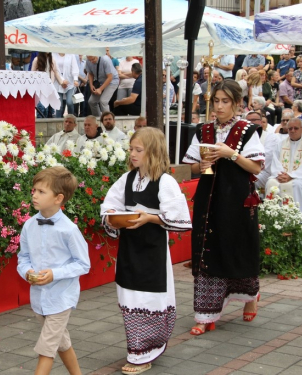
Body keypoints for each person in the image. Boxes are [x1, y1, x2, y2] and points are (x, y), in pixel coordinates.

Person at [101, 127, 191, 374]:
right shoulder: (127, 178)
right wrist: (110, 217)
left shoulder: (165, 181)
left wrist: (149, 217)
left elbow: (180, 218)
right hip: (129, 250)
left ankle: (143, 353)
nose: (132, 154)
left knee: (149, 299)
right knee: (129, 298)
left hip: (152, 252)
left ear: (153, 152)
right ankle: (138, 349)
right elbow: (110, 203)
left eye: (138, 150)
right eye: (131, 149)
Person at [183, 79, 264, 336]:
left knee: (238, 248)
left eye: (225, 101)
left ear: (236, 103)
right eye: (216, 101)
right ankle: (205, 313)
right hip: (209, 200)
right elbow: (193, 168)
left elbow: (256, 168)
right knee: (208, 251)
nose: (219, 106)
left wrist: (231, 153)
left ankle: (251, 295)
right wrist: (203, 162)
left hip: (236, 200)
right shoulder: (203, 130)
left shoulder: (247, 129)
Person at [17, 166, 90, 375]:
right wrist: (27, 272)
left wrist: (54, 274)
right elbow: (23, 258)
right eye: (34, 190)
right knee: (61, 342)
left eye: (41, 191)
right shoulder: (29, 225)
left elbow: (83, 264)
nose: (34, 195)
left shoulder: (69, 229)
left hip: (61, 299)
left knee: (46, 349)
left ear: (58, 198)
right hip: (39, 300)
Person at [266, 117, 302, 210]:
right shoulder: (281, 144)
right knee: (271, 183)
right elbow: (275, 162)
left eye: (296, 128)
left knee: (297, 185)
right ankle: (273, 216)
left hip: (298, 177)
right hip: (282, 176)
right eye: (290, 128)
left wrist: (291, 175)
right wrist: (280, 175)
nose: (293, 131)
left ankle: (297, 217)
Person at [32, 52, 66, 118]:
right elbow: (32, 73)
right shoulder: (37, 60)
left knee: (47, 108)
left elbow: (56, 72)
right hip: (40, 87)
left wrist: (61, 82)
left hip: (50, 86)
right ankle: (40, 123)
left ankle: (45, 122)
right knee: (41, 106)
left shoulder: (52, 59)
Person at [52, 53, 79, 118]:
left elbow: (74, 68)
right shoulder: (53, 54)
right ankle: (58, 122)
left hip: (69, 82)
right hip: (58, 82)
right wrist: (62, 81)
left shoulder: (71, 55)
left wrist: (75, 79)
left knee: (69, 102)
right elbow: (54, 70)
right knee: (59, 105)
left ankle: (71, 119)